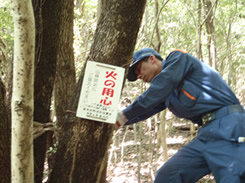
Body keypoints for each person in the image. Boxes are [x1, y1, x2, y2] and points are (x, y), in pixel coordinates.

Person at [116, 48, 245, 183]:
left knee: (232, 178)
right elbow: (144, 110)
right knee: (167, 177)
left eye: (138, 69)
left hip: (228, 127)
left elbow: (159, 89)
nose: (139, 76)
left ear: (152, 59)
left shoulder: (177, 58)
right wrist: (113, 121)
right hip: (206, 134)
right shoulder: (165, 94)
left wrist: (122, 116)